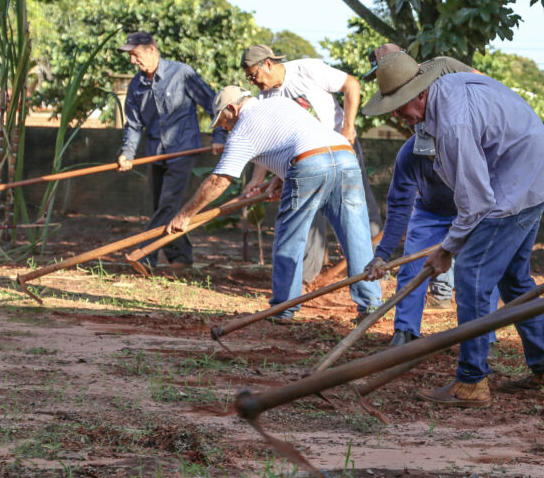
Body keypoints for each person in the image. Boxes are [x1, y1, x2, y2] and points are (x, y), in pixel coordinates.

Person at [362, 53, 544, 408]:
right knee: (515, 279)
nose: (396, 116)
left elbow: (476, 203)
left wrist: (447, 249)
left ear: (420, 93)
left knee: (471, 276)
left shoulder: (453, 123)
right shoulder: (446, 91)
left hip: (518, 184)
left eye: (398, 106)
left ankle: (471, 380)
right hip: (535, 173)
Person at [166, 86, 382, 321]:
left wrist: (184, 215)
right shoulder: (280, 103)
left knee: (291, 238)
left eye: (223, 121)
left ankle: (283, 307)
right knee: (356, 236)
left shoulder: (243, 128)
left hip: (309, 162)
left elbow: (219, 180)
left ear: (232, 108)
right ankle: (372, 306)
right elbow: (301, 137)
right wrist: (281, 179)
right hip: (344, 155)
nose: (224, 128)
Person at [362, 50, 480, 346]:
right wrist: (382, 255)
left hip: (475, 211)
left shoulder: (462, 133)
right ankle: (405, 331)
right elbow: (400, 207)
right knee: (411, 269)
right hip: (430, 214)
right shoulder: (409, 155)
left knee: (474, 277)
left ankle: (480, 337)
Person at [239, 44, 381, 282]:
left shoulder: (306, 69)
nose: (254, 82)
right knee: (309, 213)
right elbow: (271, 144)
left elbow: (352, 85)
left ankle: (375, 268)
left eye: (254, 75)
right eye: (249, 79)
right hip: (306, 160)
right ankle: (306, 279)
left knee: (358, 207)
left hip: (341, 147)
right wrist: (259, 181)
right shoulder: (264, 100)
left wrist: (347, 129)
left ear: (268, 64)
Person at [116, 31, 226, 270]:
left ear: (151, 50)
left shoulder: (182, 74)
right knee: (164, 208)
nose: (132, 61)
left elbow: (213, 104)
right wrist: (128, 154)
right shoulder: (136, 86)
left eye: (135, 55)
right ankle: (181, 257)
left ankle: (145, 255)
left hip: (182, 152)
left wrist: (219, 135)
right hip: (156, 153)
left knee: (167, 205)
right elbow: (134, 125)